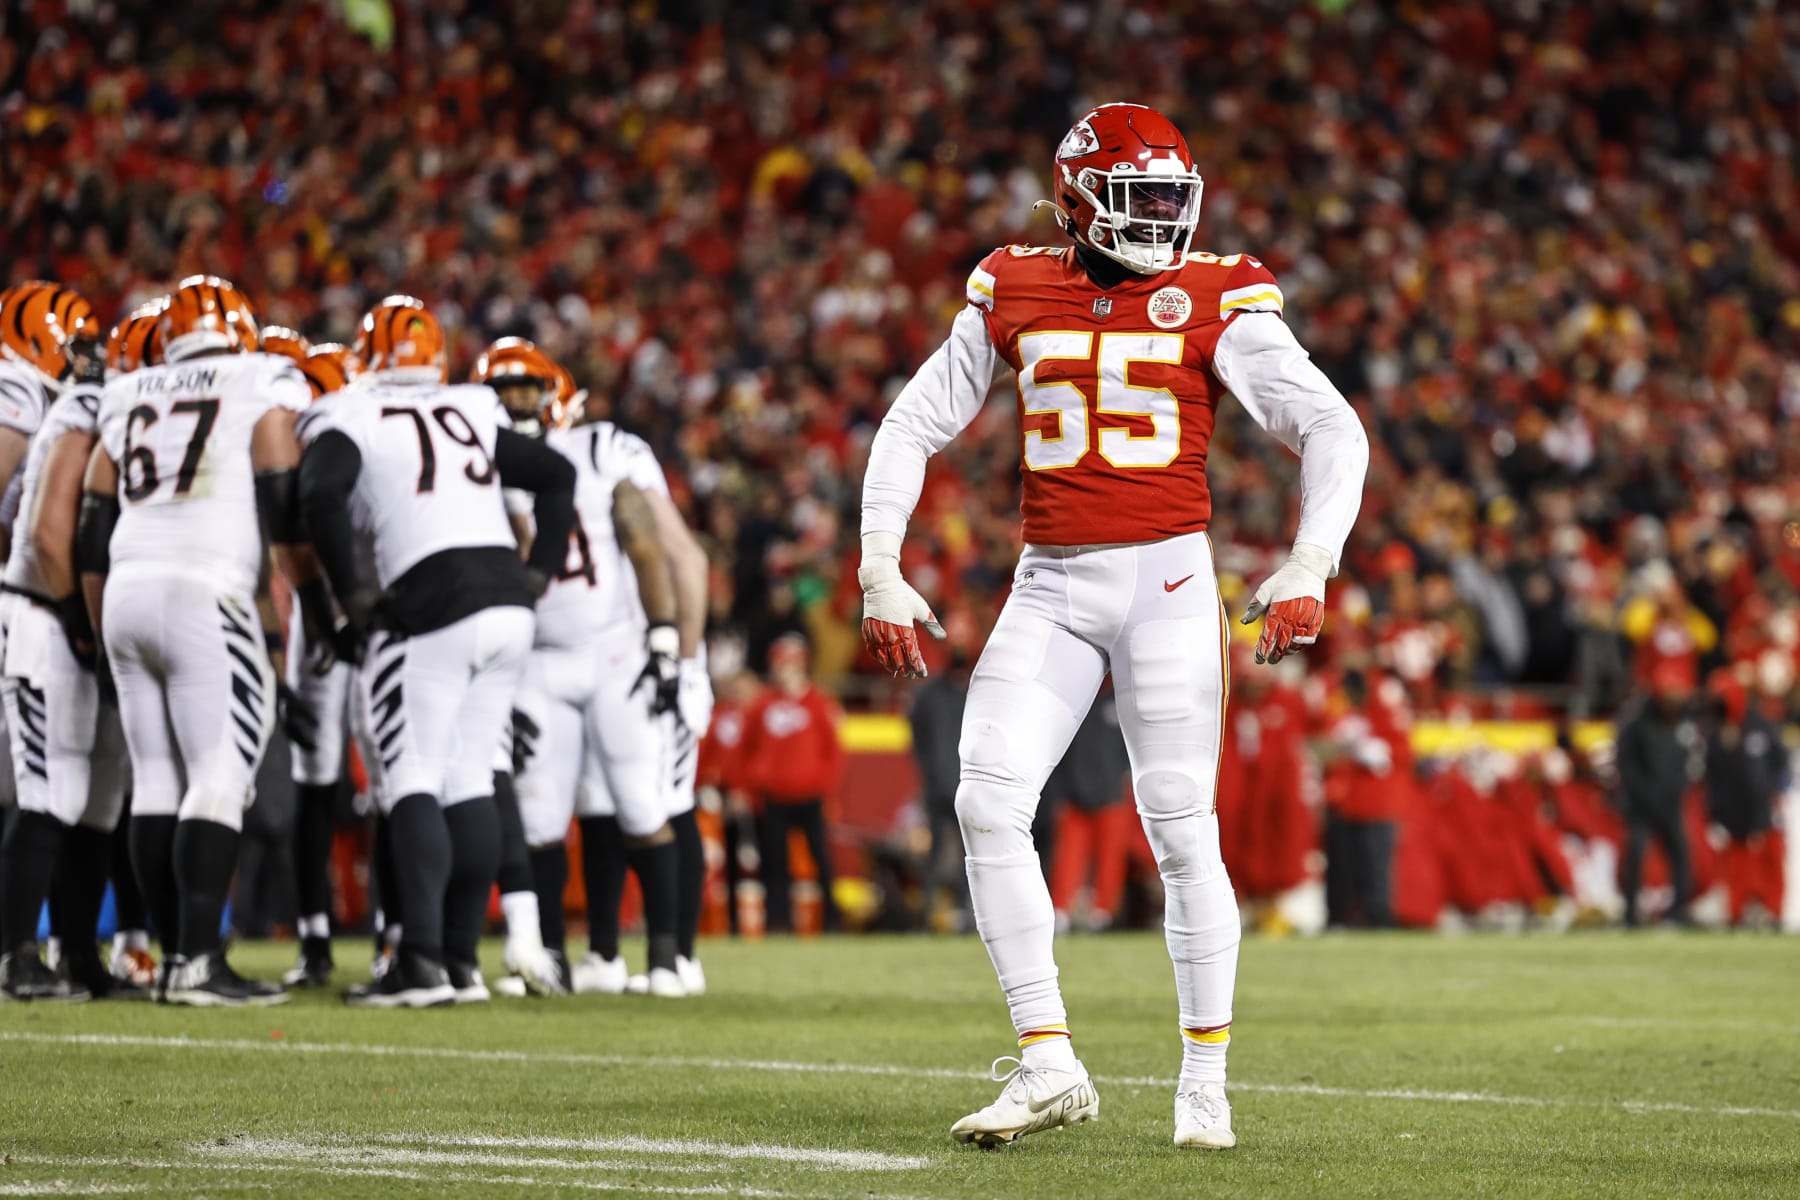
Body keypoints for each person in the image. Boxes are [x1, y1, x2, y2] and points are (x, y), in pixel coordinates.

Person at [857, 103, 1367, 1149]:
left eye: (1176, 197)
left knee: (1181, 826)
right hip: (1050, 584)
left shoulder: (1222, 291)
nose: (1166, 218)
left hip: (1168, 584)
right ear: (1083, 197)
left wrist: (1313, 558)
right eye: (1144, 198)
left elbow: (1329, 424)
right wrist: (877, 565)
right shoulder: (1016, 283)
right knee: (987, 800)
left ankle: (1204, 1080)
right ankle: (1048, 1061)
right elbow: (914, 421)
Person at [297, 296, 575, 1007]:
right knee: (472, 777)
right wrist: (538, 569)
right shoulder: (472, 408)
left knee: (412, 773)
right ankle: (458, 964)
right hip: (506, 599)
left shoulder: (352, 410)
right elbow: (554, 474)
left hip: (432, 595)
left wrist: (354, 594)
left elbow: (320, 491)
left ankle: (419, 960)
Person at [77, 275, 328, 1006]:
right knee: (218, 776)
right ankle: (197, 962)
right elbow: (282, 488)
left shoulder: (128, 392)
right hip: (206, 588)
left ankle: (172, 953)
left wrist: (99, 631)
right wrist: (313, 594)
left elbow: (95, 522)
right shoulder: (261, 376)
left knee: (155, 780)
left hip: (126, 586)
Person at [489, 343, 695, 998]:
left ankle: (666, 961)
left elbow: (645, 546)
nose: (514, 404)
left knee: (640, 802)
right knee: (540, 816)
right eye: (502, 392)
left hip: (612, 653)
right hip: (536, 659)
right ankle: (548, 961)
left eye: (525, 390)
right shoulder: (483, 465)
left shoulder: (603, 449)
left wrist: (664, 640)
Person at [0, 280, 129, 1002]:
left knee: (93, 797)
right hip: (42, 614)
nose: (89, 362)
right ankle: (15, 954)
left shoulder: (74, 407)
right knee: (47, 788)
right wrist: (81, 626)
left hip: (59, 610)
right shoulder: (25, 391)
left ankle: (77, 952)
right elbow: (48, 533)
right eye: (78, 345)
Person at [266, 337, 367, 989]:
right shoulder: (353, 420)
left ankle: (340, 937)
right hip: (345, 604)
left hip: (344, 603)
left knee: (364, 778)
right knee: (329, 778)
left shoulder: (329, 424)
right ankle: (321, 936)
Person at [740, 633, 847, 934]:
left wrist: (824, 787)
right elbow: (746, 748)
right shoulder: (762, 704)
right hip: (773, 797)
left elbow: (833, 751)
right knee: (775, 864)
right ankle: (778, 922)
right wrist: (754, 784)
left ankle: (832, 920)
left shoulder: (818, 702)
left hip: (810, 796)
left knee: (821, 861)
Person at [1615, 660, 1700, 926]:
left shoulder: (1686, 722)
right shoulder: (1636, 723)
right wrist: (1644, 793)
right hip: (1642, 804)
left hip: (1671, 801)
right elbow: (1625, 763)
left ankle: (1678, 911)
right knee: (1636, 855)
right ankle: (1631, 913)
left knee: (1681, 854)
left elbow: (1692, 759)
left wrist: (1679, 786)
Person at [1703, 670, 1785, 927]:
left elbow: (1779, 762)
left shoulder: (1760, 727)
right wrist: (1715, 813)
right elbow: (1712, 778)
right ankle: (1738, 912)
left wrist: (1771, 794)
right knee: (1738, 865)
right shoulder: (1716, 735)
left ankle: (1772, 911)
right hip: (1734, 813)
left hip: (1764, 807)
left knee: (1770, 860)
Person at [908, 631, 971, 931]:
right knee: (940, 855)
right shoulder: (931, 695)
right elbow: (917, 739)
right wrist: (930, 774)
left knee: (971, 856)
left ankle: (969, 917)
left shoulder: (974, 689)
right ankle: (928, 917)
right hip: (941, 788)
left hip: (968, 786)